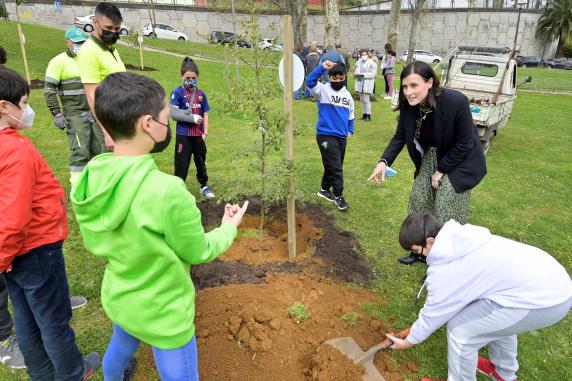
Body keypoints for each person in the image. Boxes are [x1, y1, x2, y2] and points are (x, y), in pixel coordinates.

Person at [71, 72, 248, 381]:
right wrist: (228, 227)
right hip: (164, 312)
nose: (169, 123)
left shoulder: (93, 174)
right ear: (147, 124)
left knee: (121, 347)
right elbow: (199, 249)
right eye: (166, 116)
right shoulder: (168, 191)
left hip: (123, 299)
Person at [0, 68, 99, 381]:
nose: (28, 111)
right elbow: (14, 218)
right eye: (24, 103)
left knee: (27, 318)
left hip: (11, 257)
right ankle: (72, 373)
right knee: (53, 319)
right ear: (4, 106)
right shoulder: (16, 150)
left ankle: (42, 374)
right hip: (34, 249)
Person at [387, 213, 572, 381]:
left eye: (417, 251)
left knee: (461, 330)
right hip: (551, 281)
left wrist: (409, 341)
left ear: (430, 241)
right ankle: (503, 372)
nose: (417, 256)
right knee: (489, 316)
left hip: (545, 301)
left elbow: (435, 312)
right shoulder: (462, 239)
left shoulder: (445, 271)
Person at [368, 61, 486, 265]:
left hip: (460, 160)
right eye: (405, 87)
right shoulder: (409, 105)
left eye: (414, 86)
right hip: (432, 156)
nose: (408, 92)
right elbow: (399, 137)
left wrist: (441, 171)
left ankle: (446, 260)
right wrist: (383, 161)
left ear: (430, 82)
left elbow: (466, 142)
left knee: (446, 205)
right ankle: (420, 250)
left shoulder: (455, 102)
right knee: (419, 199)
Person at [45, 28, 105, 186]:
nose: (80, 45)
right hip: (75, 114)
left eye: (83, 42)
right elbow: (49, 90)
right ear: (67, 42)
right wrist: (56, 114)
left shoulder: (92, 59)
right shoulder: (58, 62)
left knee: (101, 149)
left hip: (95, 113)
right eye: (77, 43)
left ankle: (97, 185)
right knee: (80, 151)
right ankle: (78, 187)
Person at [77, 1, 126, 152]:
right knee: (113, 167)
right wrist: (106, 132)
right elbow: (91, 94)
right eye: (108, 28)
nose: (113, 32)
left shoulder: (110, 48)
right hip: (108, 121)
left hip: (121, 116)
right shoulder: (89, 52)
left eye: (117, 29)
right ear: (95, 23)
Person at [307, 60, 354, 211]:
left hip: (341, 137)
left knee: (333, 164)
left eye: (341, 78)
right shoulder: (322, 90)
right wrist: (321, 67)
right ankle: (339, 196)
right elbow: (310, 81)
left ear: (345, 77)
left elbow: (351, 116)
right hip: (325, 136)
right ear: (329, 77)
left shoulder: (348, 96)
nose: (338, 81)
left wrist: (350, 131)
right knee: (336, 167)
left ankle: (324, 190)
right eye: (335, 78)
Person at [170, 57, 215, 199]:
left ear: (197, 77)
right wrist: (192, 118)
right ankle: (178, 187)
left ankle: (204, 186)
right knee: (182, 162)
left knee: (201, 161)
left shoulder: (201, 94)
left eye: (193, 78)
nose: (190, 80)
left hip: (198, 135)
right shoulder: (177, 93)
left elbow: (205, 113)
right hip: (183, 135)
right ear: (181, 76)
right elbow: (174, 114)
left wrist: (205, 133)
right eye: (187, 77)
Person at [354, 49, 377, 122]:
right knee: (362, 100)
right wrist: (356, 73)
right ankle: (364, 114)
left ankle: (368, 115)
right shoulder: (358, 62)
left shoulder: (372, 63)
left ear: (367, 55)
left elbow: (373, 74)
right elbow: (356, 70)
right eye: (362, 54)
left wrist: (363, 74)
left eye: (365, 54)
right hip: (360, 82)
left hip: (368, 83)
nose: (364, 56)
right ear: (360, 55)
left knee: (366, 100)